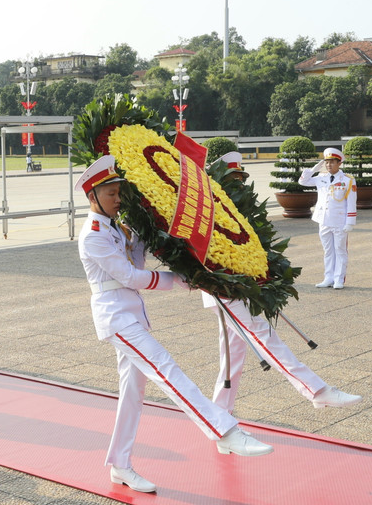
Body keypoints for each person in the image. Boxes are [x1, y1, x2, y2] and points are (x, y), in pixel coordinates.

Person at [76, 155, 272, 494]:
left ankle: (120, 465)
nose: (117, 199)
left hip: (132, 316)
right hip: (116, 318)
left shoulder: (118, 225)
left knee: (132, 394)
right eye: (111, 194)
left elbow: (146, 251)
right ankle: (225, 430)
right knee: (166, 369)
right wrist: (183, 280)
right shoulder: (93, 235)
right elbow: (131, 276)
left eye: (119, 192)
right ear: (92, 197)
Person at [202, 153, 362, 412]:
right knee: (263, 335)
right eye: (233, 180)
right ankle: (316, 390)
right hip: (222, 288)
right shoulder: (210, 210)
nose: (240, 185)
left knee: (232, 357)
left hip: (240, 287)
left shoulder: (238, 210)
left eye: (241, 179)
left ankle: (219, 416)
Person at [298, 148, 357, 289]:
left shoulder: (348, 180)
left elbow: (351, 202)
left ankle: (339, 279)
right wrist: (313, 170)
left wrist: (350, 222)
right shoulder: (321, 177)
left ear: (339, 163)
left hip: (339, 221)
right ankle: (328, 277)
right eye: (327, 162)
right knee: (328, 251)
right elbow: (302, 182)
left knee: (340, 250)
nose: (329, 165)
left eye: (332, 162)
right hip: (323, 220)